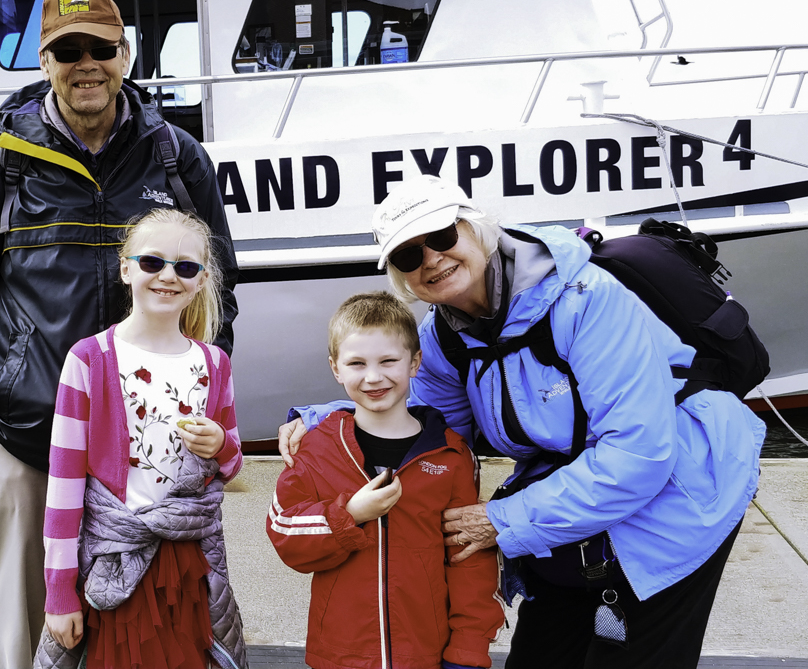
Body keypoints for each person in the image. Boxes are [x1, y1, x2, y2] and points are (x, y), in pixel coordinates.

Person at [280, 174, 765, 669]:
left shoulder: (585, 298)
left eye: (443, 236)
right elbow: (421, 420)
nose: (431, 258)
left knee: (632, 655)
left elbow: (637, 455)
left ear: (477, 228)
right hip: (571, 488)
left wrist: (501, 519)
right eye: (408, 255)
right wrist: (319, 419)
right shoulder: (443, 337)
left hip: (681, 491)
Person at [0, 0, 238, 669]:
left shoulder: (176, 156)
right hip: (28, 432)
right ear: (45, 61)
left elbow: (219, 286)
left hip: (150, 447)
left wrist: (205, 396)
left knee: (149, 616)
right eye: (69, 51)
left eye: (101, 48)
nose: (86, 63)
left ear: (125, 56)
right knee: (22, 614)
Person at [42, 208, 245, 669]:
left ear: (201, 279)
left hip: (189, 568)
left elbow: (232, 467)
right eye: (153, 262)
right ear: (126, 268)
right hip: (114, 565)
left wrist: (221, 445)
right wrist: (59, 591)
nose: (168, 276)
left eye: (186, 267)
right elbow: (64, 488)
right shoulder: (88, 359)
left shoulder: (215, 364)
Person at [268, 291, 504, 669]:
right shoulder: (315, 447)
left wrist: (468, 650)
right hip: (341, 655)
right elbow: (285, 534)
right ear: (335, 368)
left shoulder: (451, 455)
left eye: (388, 361)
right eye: (357, 363)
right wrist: (350, 514)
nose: (373, 377)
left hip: (426, 654)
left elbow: (470, 562)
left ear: (415, 362)